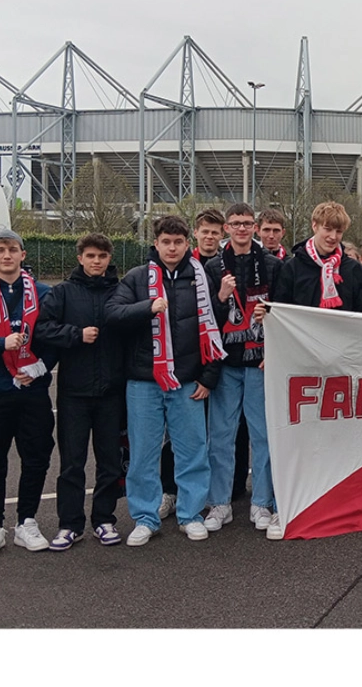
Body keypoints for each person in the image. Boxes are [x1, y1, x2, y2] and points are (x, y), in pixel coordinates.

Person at [105, 215, 225, 546]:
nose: (172, 248)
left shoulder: (199, 279)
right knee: (143, 452)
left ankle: (191, 514)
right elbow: (112, 315)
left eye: (178, 242)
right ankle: (145, 517)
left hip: (187, 380)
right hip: (144, 380)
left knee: (192, 451)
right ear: (156, 244)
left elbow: (215, 327)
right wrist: (147, 307)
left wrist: (209, 377)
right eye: (166, 242)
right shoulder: (137, 277)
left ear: (188, 244)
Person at [35, 232, 125, 550]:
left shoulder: (120, 292)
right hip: (74, 393)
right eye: (90, 256)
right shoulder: (62, 293)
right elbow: (42, 329)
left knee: (110, 463)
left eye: (102, 256)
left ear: (109, 259)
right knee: (73, 463)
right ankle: (70, 525)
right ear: (80, 258)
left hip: (112, 393)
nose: (96, 261)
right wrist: (75, 334)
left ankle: (104, 520)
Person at [204, 203, 283, 540]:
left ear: (255, 227)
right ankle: (219, 502)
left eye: (247, 223)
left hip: (259, 360)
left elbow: (284, 310)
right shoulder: (211, 266)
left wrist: (274, 342)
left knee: (263, 434)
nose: (241, 228)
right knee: (220, 436)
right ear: (226, 228)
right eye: (235, 223)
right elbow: (203, 312)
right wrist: (222, 298)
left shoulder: (273, 265)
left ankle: (262, 502)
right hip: (225, 361)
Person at [0, 230, 57, 558]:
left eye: (12, 250)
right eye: (0, 250)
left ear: (23, 255)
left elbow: (54, 339)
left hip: (32, 390)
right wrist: (0, 344)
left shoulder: (42, 293)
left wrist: (40, 369)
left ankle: (26, 521)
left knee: (37, 456)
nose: (7, 256)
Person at [159, 207, 228, 520]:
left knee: (207, 437)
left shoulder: (219, 268)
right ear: (195, 236)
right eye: (205, 232)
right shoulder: (167, 271)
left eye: (216, 232)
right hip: (176, 369)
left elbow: (217, 325)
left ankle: (206, 496)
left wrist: (209, 374)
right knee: (174, 438)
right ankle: (170, 492)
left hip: (206, 368)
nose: (210, 237)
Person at [275, 201, 362, 312]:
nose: (333, 236)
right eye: (328, 229)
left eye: (339, 231)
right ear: (314, 226)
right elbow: (281, 310)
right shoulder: (292, 268)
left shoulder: (354, 270)